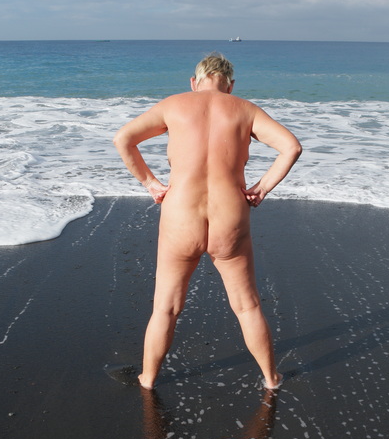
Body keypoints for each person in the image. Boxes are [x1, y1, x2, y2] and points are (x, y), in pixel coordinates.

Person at [113, 53, 301, 390]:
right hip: (230, 215)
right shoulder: (245, 109)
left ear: (194, 81)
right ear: (230, 85)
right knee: (247, 306)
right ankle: (271, 379)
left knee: (166, 308)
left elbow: (123, 138)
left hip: (180, 215)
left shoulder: (173, 105)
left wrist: (151, 183)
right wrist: (261, 188)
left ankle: (148, 378)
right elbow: (291, 147)